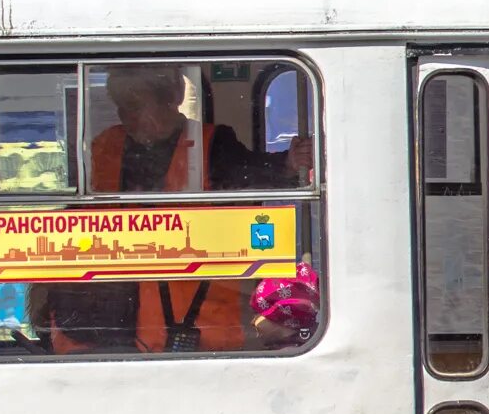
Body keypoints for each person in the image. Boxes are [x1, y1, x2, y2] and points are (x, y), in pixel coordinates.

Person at [43, 66, 311, 354]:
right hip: (109, 322)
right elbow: (75, 219)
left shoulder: (214, 145)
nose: (126, 116)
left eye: (134, 105)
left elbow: (252, 174)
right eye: (120, 106)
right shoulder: (105, 146)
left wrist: (289, 163)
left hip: (196, 330)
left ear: (171, 99)